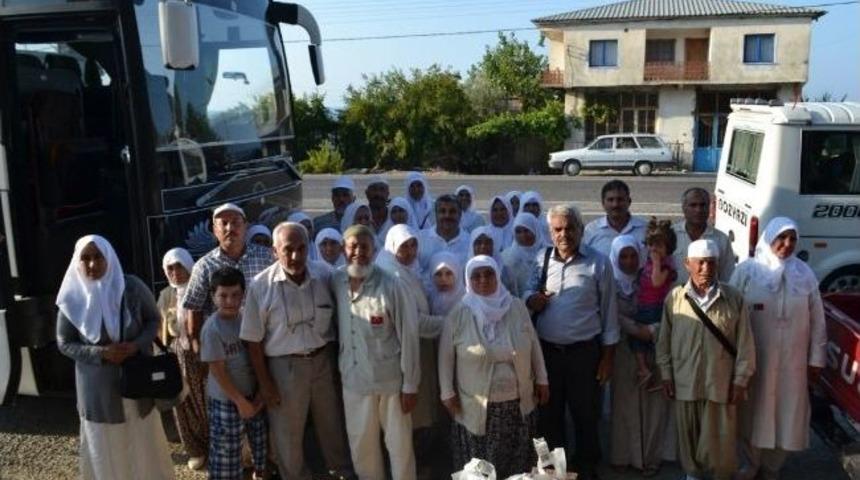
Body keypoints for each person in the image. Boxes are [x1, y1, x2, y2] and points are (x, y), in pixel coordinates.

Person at [241, 222, 354, 480]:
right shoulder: (261, 286)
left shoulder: (325, 275)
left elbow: (341, 323)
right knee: (287, 433)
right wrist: (266, 383)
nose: (295, 256)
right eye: (288, 249)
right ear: (274, 251)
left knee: (332, 426)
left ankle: (342, 473)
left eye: (302, 248)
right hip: (284, 368)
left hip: (323, 362)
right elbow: (253, 342)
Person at [56, 235, 174, 480]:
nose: (92, 264)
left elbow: (153, 319)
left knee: (143, 444)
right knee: (106, 450)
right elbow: (64, 342)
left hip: (138, 384)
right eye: (85, 258)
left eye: (98, 256)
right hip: (99, 393)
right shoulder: (72, 297)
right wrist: (101, 353)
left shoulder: (130, 286)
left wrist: (136, 345)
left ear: (108, 256)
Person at [524, 203, 619, 480]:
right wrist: (533, 300)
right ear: (550, 231)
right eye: (557, 229)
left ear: (580, 230)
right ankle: (555, 470)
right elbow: (527, 291)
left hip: (584, 353)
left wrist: (608, 358)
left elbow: (610, 313)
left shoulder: (598, 262)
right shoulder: (541, 258)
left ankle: (587, 466)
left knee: (585, 414)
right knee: (549, 415)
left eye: (569, 228)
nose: (564, 234)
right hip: (548, 354)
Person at [730, 217, 826, 480]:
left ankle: (773, 467)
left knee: (787, 413)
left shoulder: (804, 273)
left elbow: (817, 320)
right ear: (769, 238)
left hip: (792, 363)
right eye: (781, 238)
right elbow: (730, 315)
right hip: (755, 359)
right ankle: (750, 464)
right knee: (753, 412)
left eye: (792, 239)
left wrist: (816, 358)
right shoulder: (747, 271)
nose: (787, 244)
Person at [439, 255, 550, 478]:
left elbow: (534, 346)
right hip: (477, 407)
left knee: (517, 465)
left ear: (497, 276)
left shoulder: (516, 306)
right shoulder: (460, 313)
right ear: (468, 280)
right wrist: (447, 392)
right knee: (480, 469)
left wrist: (542, 380)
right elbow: (445, 356)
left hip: (517, 406)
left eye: (489, 274)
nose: (483, 280)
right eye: (476, 275)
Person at [656, 239, 756, 480]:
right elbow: (664, 342)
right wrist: (667, 375)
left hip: (720, 385)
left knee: (721, 447)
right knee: (689, 443)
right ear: (687, 264)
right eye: (699, 263)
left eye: (711, 263)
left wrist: (740, 380)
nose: (705, 269)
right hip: (685, 383)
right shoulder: (675, 298)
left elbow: (745, 345)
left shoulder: (733, 299)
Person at [332, 225, 420, 480]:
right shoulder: (336, 280)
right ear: (343, 250)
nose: (358, 252)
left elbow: (409, 336)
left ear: (374, 251)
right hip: (354, 380)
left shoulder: (391, 284)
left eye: (365, 247)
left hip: (390, 382)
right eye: (352, 247)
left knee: (400, 448)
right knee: (362, 448)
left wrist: (411, 385)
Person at [376, 224, 446, 477]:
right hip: (407, 351)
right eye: (404, 245)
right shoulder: (392, 275)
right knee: (412, 415)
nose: (410, 250)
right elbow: (413, 322)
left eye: (413, 244)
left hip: (420, 348)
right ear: (393, 246)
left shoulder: (404, 270)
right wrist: (448, 322)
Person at [608, 235, 673, 476]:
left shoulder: (649, 276)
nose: (628, 261)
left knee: (654, 404)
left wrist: (652, 331)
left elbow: (668, 306)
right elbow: (609, 312)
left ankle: (651, 457)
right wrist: (635, 330)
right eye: (623, 256)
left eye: (633, 255)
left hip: (655, 344)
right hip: (623, 349)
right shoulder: (610, 282)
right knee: (624, 404)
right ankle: (623, 455)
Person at [200, 267, 267, 480]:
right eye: (223, 295)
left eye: (235, 295)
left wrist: (260, 392)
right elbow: (218, 371)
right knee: (226, 455)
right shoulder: (212, 328)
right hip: (227, 400)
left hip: (252, 394)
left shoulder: (247, 318)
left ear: (243, 294)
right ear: (213, 296)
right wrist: (239, 401)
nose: (229, 301)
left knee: (260, 444)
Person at [182, 203, 274, 354]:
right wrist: (198, 348)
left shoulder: (267, 258)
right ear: (214, 230)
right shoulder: (204, 266)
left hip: (264, 341)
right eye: (223, 223)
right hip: (224, 349)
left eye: (236, 222)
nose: (230, 228)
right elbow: (194, 309)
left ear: (246, 226)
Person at [158, 247, 208, 470]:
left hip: (201, 355)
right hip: (176, 357)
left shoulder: (200, 290)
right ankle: (195, 449)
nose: (175, 272)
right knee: (182, 405)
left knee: (205, 403)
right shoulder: (166, 295)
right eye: (170, 268)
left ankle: (215, 447)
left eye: (179, 266)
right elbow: (160, 330)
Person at [631, 218, 677, 388]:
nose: (654, 250)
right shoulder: (648, 263)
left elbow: (657, 282)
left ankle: (662, 374)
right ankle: (644, 369)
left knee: (656, 341)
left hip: (655, 309)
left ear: (668, 248)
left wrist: (657, 262)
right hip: (643, 306)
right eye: (651, 245)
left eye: (659, 246)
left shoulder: (666, 266)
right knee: (636, 341)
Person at [673, 188, 734, 284]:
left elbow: (727, 278)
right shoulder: (671, 235)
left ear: (709, 208)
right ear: (684, 208)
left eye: (703, 205)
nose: (698, 210)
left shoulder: (721, 240)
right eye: (693, 205)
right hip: (674, 298)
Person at [583, 180, 647, 257]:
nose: (615, 205)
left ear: (629, 201)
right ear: (603, 203)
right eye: (610, 200)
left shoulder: (645, 229)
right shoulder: (591, 230)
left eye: (620, 199)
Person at [417, 194, 471, 270]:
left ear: (460, 214)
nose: (447, 216)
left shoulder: (470, 242)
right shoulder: (420, 239)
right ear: (435, 214)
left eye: (452, 212)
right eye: (442, 211)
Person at [470, 226, 517, 294]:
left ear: (494, 245)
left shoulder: (506, 272)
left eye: (487, 243)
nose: (483, 246)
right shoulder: (465, 271)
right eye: (478, 243)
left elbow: (514, 297)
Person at [425, 251, 465, 317]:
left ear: (457, 274)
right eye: (438, 274)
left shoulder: (465, 301)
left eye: (449, 273)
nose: (443, 279)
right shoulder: (428, 298)